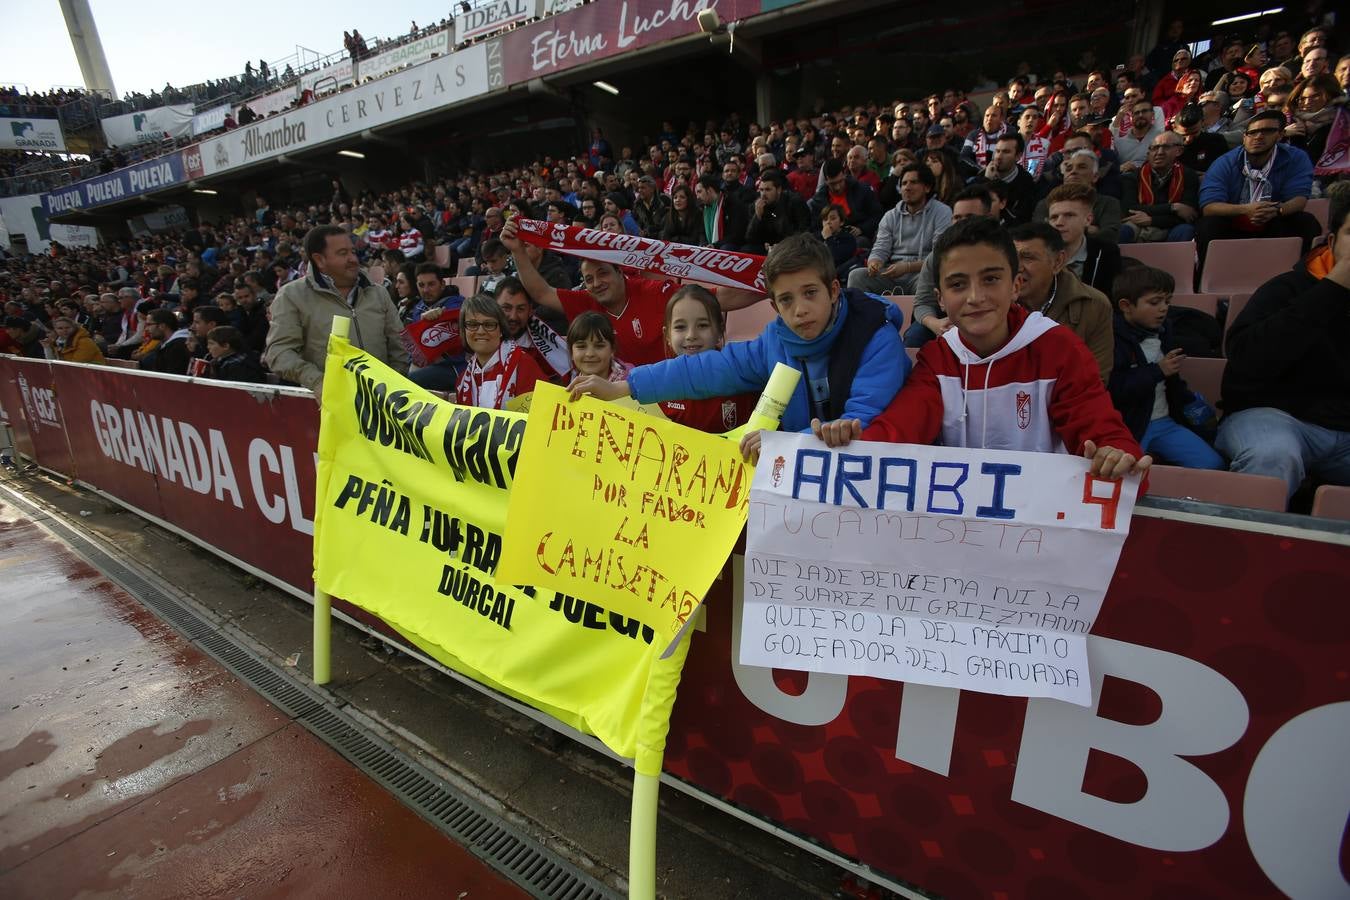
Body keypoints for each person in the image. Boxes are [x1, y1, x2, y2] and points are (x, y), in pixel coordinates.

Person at [810, 217, 1149, 483]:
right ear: (940, 299)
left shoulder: (1059, 348)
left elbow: (1101, 429)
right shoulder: (937, 359)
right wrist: (852, 444)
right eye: (958, 285)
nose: (975, 297)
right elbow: (900, 428)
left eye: (990, 279)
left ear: (1015, 285)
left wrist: (1116, 454)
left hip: (1040, 536)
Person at [567, 232, 910, 464]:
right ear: (774, 307)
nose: (800, 309)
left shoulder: (876, 337)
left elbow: (865, 422)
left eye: (810, 293)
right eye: (786, 300)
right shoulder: (774, 341)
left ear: (834, 290)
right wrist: (622, 387)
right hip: (800, 479)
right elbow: (705, 369)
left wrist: (786, 444)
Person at [1215, 181, 1350, 500]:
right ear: (1332, 241)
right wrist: (1332, 290)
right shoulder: (1285, 289)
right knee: (1273, 456)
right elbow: (1246, 358)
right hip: (1271, 415)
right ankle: (1244, 547)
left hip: (1344, 430)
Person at [499, 218, 762, 368]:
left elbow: (716, 300)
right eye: (588, 279)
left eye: (603, 273)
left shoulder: (654, 292)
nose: (596, 283)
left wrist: (767, 286)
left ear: (620, 272)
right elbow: (541, 293)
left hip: (673, 389)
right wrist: (517, 250)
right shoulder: (587, 302)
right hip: (623, 399)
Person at [265, 225, 410, 400]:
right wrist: (318, 381)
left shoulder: (377, 292)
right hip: (333, 405)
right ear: (319, 260)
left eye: (353, 251)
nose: (353, 259)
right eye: (343, 253)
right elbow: (279, 352)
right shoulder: (292, 296)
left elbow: (400, 344)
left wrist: (393, 384)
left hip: (383, 402)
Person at [1108, 264, 1224, 469]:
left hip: (1164, 422)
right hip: (1128, 426)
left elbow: (1173, 381)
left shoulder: (1164, 329)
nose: (1163, 308)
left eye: (1167, 301)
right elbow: (1112, 389)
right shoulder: (1111, 338)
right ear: (1126, 305)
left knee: (1213, 465)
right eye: (1154, 302)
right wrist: (1157, 371)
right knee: (1126, 474)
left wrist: (1191, 406)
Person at [1195, 110, 1321, 265]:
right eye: (1252, 133)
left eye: (1267, 131)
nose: (1258, 136)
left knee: (1305, 222)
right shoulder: (1224, 162)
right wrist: (1246, 210)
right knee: (1208, 225)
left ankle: (1302, 275)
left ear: (1280, 135)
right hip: (1234, 220)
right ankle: (1203, 277)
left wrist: (1276, 210)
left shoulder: (1296, 157)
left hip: (1274, 217)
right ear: (1244, 137)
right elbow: (1209, 207)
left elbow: (1299, 199)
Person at [1010, 222, 1115, 383]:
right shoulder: (993, 305)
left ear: (1058, 262)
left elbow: (1094, 380)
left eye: (1028, 257)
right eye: (1011, 258)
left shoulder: (1094, 305)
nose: (1017, 267)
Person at [906, 185, 998, 349]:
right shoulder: (936, 257)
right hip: (946, 319)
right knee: (915, 335)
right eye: (957, 218)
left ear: (988, 218)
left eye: (969, 217)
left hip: (990, 316)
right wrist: (935, 324)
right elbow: (922, 302)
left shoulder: (1003, 254)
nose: (961, 224)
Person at [654, 286, 755, 432]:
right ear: (667, 335)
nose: (691, 335)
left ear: (720, 330)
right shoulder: (656, 386)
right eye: (680, 327)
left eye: (702, 325)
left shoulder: (744, 377)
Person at [847, 164, 952, 295]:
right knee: (856, 276)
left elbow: (940, 256)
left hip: (922, 273)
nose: (907, 187)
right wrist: (874, 262)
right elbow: (880, 248)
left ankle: (923, 315)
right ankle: (869, 315)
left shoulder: (942, 212)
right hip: (892, 274)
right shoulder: (890, 216)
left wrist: (908, 267)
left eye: (913, 182)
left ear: (927, 187)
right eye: (904, 183)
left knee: (930, 280)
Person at [454, 293, 545, 410]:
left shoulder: (523, 365)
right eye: (472, 324)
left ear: (501, 330)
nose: (480, 331)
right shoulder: (462, 380)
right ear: (464, 331)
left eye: (489, 324)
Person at [1120, 131, 1201, 243]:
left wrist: (1152, 220)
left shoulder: (1188, 175)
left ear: (1179, 151)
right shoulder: (1133, 177)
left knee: (1185, 230)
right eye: (1154, 148)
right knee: (1123, 231)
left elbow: (1188, 214)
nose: (1159, 152)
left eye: (1166, 147)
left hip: (1170, 225)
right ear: (1148, 154)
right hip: (1138, 223)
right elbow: (1130, 209)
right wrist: (1173, 207)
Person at [1046, 183, 1121, 294]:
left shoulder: (1106, 253)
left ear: (1088, 220)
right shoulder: (1039, 254)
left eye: (1069, 215)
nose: (1059, 222)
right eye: (1054, 217)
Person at [495, 277, 570, 382]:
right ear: (494, 307)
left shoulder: (546, 354)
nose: (513, 316)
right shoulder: (482, 340)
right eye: (506, 308)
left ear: (530, 311)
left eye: (521, 309)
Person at [809, 158, 883, 245]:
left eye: (840, 181)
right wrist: (826, 234)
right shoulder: (819, 200)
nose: (837, 187)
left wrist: (861, 229)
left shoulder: (862, 190)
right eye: (832, 184)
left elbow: (877, 215)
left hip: (859, 238)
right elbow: (814, 229)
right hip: (830, 241)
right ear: (826, 181)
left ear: (844, 175)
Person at [972, 132, 1037, 225]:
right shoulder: (982, 176)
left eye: (1006, 152)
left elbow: (1022, 218)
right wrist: (986, 181)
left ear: (1018, 156)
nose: (999, 157)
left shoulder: (1026, 182)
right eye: (997, 151)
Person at [745, 169, 811, 253]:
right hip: (768, 248)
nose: (763, 194)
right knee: (747, 249)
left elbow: (804, 232)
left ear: (779, 190)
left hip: (792, 247)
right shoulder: (757, 205)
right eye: (761, 190)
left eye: (768, 190)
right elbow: (750, 238)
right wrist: (757, 217)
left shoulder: (795, 202)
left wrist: (782, 245)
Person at [565, 311, 631, 383]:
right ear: (571, 352)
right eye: (581, 346)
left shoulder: (633, 383)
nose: (590, 354)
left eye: (599, 346)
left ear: (612, 349)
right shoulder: (572, 385)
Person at [696, 174, 749, 251]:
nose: (697, 196)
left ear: (710, 190)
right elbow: (701, 232)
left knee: (725, 248)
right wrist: (704, 243)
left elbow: (736, 235)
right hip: (714, 245)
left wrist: (715, 245)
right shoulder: (703, 207)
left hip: (731, 245)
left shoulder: (731, 203)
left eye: (699, 192)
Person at [1115, 97, 1165, 172]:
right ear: (1131, 117)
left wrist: (1137, 170)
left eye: (1144, 111)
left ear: (1153, 114)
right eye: (1136, 113)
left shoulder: (1162, 138)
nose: (1140, 115)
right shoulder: (1120, 140)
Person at [137, 309, 191, 374]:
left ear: (162, 326)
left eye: (149, 325)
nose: (146, 329)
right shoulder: (163, 345)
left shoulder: (178, 347)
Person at [820, 204, 860, 280]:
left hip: (838, 276)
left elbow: (836, 259)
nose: (828, 222)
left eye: (833, 218)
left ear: (841, 222)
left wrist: (829, 238)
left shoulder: (848, 239)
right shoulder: (817, 237)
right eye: (825, 219)